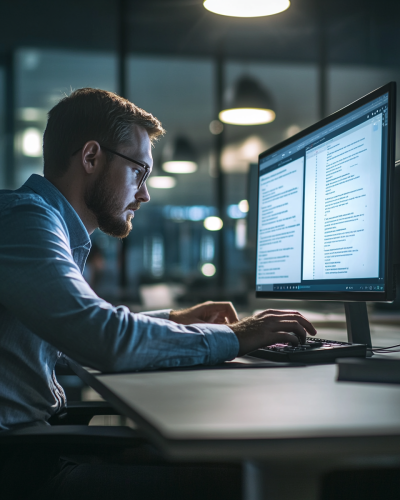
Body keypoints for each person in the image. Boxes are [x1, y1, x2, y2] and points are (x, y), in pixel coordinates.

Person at [0, 88, 316, 499]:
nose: (145, 194)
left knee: (219, 459)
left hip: (36, 447)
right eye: (138, 172)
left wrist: (174, 321)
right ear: (91, 157)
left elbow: (74, 331)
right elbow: (101, 338)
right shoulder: (28, 221)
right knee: (242, 481)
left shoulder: (46, 226)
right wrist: (239, 336)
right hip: (23, 470)